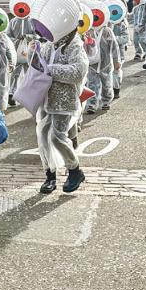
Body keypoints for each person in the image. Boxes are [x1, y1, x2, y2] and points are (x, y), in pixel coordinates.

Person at [36, 27, 89, 195]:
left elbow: (78, 72)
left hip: (65, 100)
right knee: (43, 135)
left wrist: (51, 69)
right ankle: (50, 175)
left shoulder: (75, 45)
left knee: (56, 136)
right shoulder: (48, 45)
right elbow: (39, 66)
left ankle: (75, 171)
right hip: (45, 98)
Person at [0, 29, 17, 112]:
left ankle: (0, 109)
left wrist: (11, 64)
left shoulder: (4, 38)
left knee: (2, 89)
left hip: (2, 67)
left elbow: (8, 51)